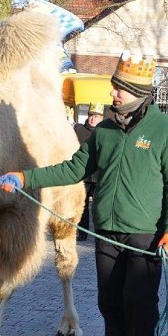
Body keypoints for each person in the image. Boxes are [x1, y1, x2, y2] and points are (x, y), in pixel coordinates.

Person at [0, 52, 168, 336]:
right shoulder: (104, 131)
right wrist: (27, 177)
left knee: (140, 309)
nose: (113, 94)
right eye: (114, 88)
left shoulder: (166, 131)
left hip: (146, 238)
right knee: (110, 306)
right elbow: (74, 168)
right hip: (107, 235)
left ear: (138, 93)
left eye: (120, 89)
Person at [73, 102, 104, 240]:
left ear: (101, 118)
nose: (93, 119)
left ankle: (100, 234)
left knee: (99, 206)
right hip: (83, 175)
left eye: (96, 116)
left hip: (99, 175)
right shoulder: (79, 130)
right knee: (82, 205)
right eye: (91, 115)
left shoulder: (106, 132)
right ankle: (82, 232)